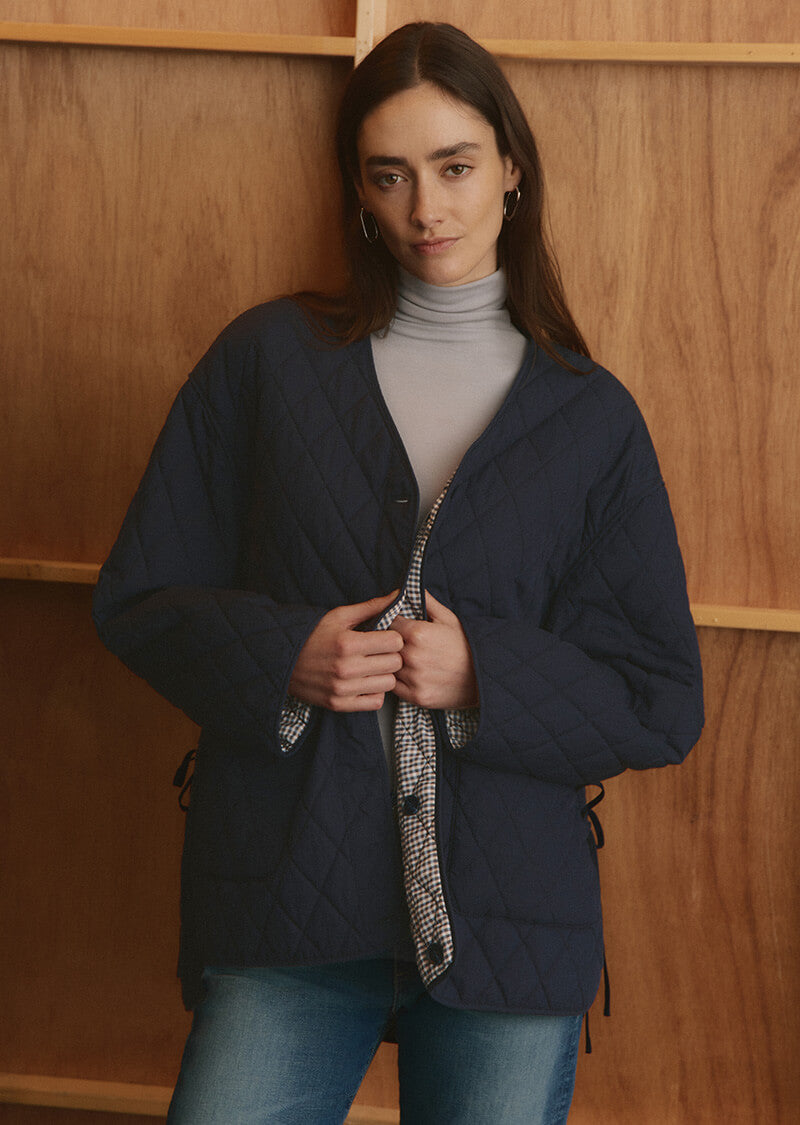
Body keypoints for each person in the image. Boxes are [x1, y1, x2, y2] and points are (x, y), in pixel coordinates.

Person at [92, 21, 704, 1125]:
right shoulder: (266, 363)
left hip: (508, 913)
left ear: (510, 170)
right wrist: (291, 653)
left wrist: (485, 675)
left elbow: (658, 697)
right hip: (287, 892)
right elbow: (140, 597)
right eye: (391, 175)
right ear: (359, 194)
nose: (427, 210)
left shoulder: (589, 418)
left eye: (455, 168)